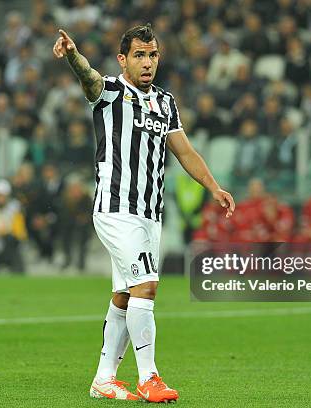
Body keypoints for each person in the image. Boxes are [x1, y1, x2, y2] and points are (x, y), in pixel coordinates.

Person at [53, 24, 235, 402]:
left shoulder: (165, 103)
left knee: (124, 293)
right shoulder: (110, 92)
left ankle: (104, 378)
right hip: (117, 209)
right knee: (147, 285)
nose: (147, 62)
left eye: (152, 55)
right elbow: (87, 76)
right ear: (123, 60)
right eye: (139, 55)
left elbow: (185, 152)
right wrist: (72, 54)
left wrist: (214, 187)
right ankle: (148, 375)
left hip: (150, 214)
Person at [0, 179, 27, 273]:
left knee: (8, 240)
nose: (0, 199)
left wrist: (1, 232)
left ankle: (10, 266)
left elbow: (19, 230)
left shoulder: (15, 206)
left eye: (2, 196)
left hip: (11, 237)